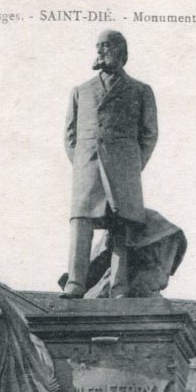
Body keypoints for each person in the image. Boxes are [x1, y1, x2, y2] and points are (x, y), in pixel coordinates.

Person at [63, 30, 158, 299]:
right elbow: (70, 136)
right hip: (88, 168)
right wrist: (82, 163)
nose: (101, 52)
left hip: (124, 169)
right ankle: (75, 283)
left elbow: (149, 134)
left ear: (121, 52)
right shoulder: (81, 91)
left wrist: (132, 166)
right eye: (98, 47)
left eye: (106, 47)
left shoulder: (140, 90)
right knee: (81, 223)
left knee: (121, 226)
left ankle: (118, 286)